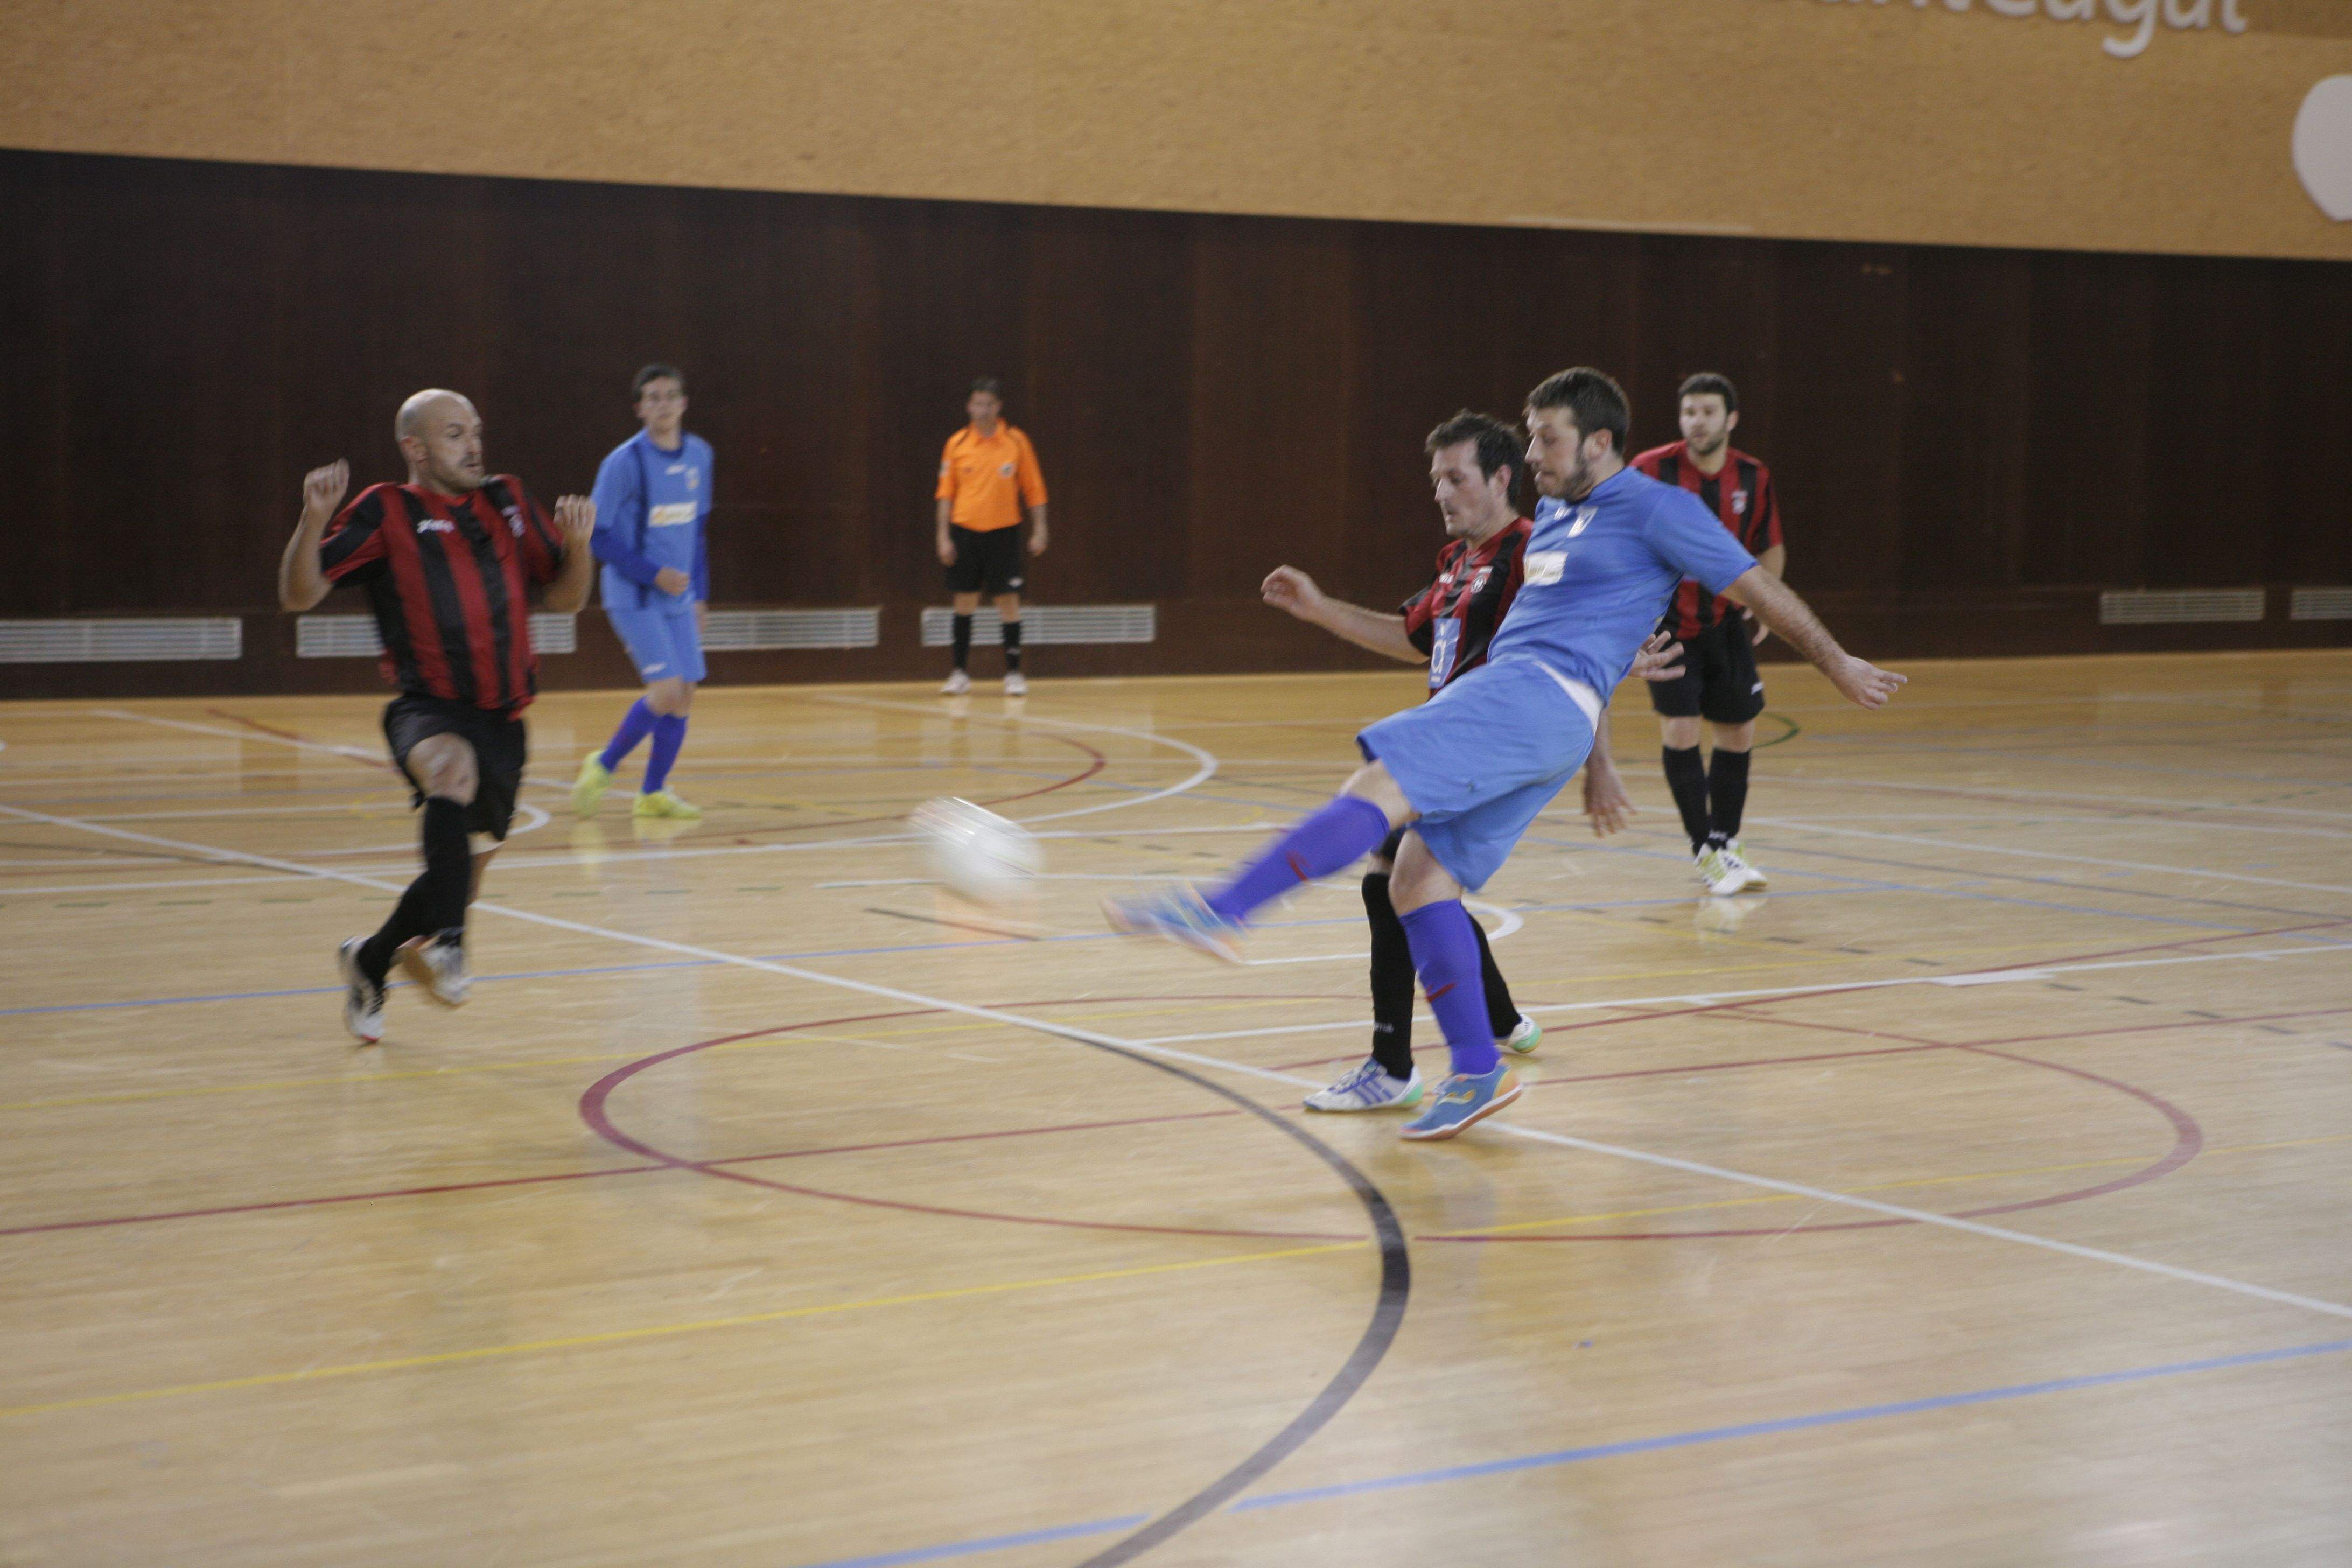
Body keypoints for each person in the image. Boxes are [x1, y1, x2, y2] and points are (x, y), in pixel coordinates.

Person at [1107, 367, 1902, 1142]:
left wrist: (1837, 663)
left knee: (1376, 782)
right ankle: (1479, 1071)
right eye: (1527, 440)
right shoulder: (1558, 514)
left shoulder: (1658, 509)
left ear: (1598, 441)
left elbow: (1760, 590)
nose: (1532, 457)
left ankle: (1223, 908)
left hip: (1532, 698)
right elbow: (1584, 613)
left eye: (1544, 440)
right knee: (1420, 881)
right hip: (1536, 708)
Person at [278, 389, 594, 1044]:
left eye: (476, 431)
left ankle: (370, 959)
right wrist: (313, 521)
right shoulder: (386, 509)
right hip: (427, 708)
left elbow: (566, 598)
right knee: (449, 775)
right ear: (415, 448)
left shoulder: (507, 499)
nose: (473, 444)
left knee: (458, 880)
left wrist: (580, 544)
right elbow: (298, 594)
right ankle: (451, 946)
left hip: (505, 721)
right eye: (455, 434)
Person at [1629, 373, 1786, 895]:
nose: (1697, 421)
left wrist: (1770, 601)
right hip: (1666, 625)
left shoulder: (1753, 476)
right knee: (1681, 730)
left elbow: (1769, 543)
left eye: (1708, 412)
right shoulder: (1651, 471)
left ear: (1731, 419)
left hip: (1725, 622)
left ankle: (1727, 842)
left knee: (1738, 731)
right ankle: (1705, 851)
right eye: (1689, 412)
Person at [572, 364, 712, 820]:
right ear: (639, 408)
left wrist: (700, 594)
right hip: (634, 595)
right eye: (653, 397)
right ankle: (605, 763)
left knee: (686, 691)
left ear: (684, 403)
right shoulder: (624, 463)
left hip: (679, 598)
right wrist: (655, 575)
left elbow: (698, 532)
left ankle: (652, 793)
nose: (663, 404)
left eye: (671, 395)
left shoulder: (699, 457)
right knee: (668, 690)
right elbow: (598, 535)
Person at [935, 378, 1048, 696]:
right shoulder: (956, 444)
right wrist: (943, 536)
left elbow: (1034, 489)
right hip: (965, 533)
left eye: (988, 404)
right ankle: (959, 673)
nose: (981, 410)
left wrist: (1040, 528)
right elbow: (945, 494)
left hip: (1004, 533)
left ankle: (1014, 674)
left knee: (1008, 602)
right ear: (969, 406)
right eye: (976, 404)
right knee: (964, 602)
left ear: (998, 407)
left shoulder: (1016, 442)